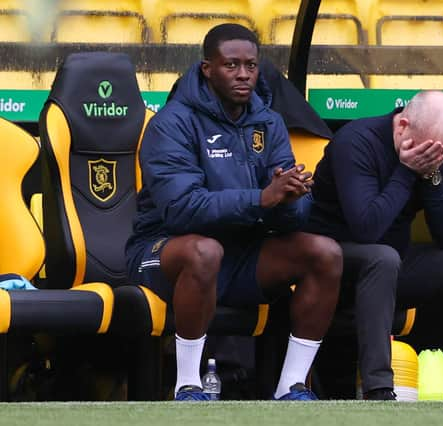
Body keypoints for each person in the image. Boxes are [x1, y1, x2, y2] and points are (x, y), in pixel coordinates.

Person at [125, 23, 342, 401]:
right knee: (204, 250)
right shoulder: (171, 123)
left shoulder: (268, 121)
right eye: (231, 65)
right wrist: (262, 199)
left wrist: (289, 201)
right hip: (164, 251)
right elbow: (181, 210)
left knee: (324, 253)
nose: (243, 75)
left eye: (251, 66)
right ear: (208, 68)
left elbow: (292, 211)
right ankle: (188, 385)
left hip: (241, 253)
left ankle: (291, 387)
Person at [306, 90, 443, 401]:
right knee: (382, 257)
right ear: (403, 125)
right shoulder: (357, 141)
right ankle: (378, 388)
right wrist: (406, 172)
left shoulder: (437, 155)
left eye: (442, 152)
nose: (432, 156)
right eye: (428, 151)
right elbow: (366, 228)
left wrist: (433, 174)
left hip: (391, 264)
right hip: (333, 263)